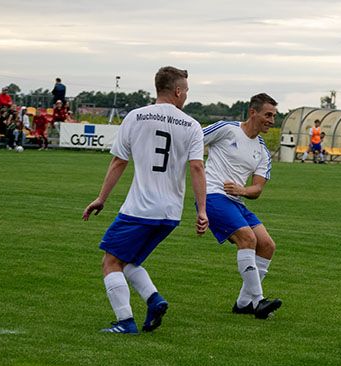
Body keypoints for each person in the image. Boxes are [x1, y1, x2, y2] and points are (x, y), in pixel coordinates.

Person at [83, 66, 208, 334]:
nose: (186, 95)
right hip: (170, 214)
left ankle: (125, 321)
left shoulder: (136, 117)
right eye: (186, 90)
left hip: (140, 209)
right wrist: (202, 211)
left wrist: (101, 198)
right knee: (128, 261)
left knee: (110, 262)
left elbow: (119, 162)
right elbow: (197, 167)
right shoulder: (192, 125)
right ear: (177, 91)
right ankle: (154, 300)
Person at [201, 93, 282, 319]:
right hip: (213, 195)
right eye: (268, 115)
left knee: (267, 245)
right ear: (252, 112)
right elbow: (193, 139)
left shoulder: (263, 150)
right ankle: (258, 301)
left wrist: (242, 190)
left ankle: (243, 303)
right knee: (248, 239)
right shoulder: (227, 129)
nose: (271, 121)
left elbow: (257, 188)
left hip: (237, 201)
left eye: (274, 116)